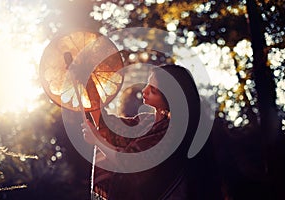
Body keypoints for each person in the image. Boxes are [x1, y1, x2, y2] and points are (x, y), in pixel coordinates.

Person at [82, 64, 204, 199]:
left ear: (170, 99)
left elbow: (130, 163)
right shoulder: (146, 120)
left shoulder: (172, 134)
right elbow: (109, 126)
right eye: (147, 85)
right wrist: (87, 82)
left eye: (153, 90)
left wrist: (97, 141)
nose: (144, 91)